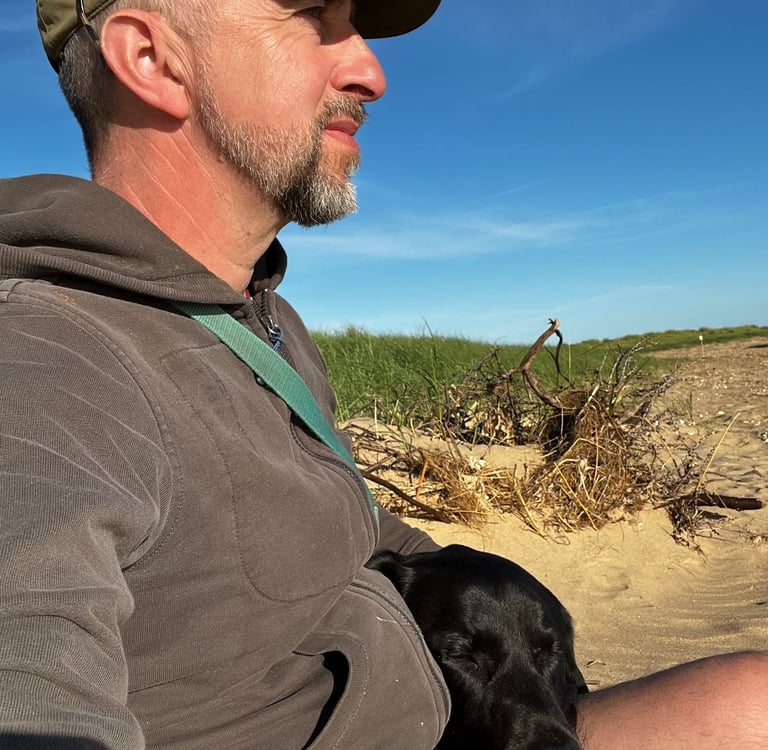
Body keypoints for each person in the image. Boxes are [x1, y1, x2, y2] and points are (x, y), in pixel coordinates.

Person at [1, 1, 766, 748]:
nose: (372, 72)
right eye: (314, 19)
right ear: (151, 57)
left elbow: (355, 527)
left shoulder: (263, 322)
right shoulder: (49, 358)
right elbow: (34, 688)